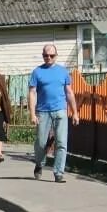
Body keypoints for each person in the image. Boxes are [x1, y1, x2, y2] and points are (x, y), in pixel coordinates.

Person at [29, 44, 79, 183]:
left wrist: (75, 112)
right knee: (40, 142)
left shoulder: (63, 72)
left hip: (60, 111)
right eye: (46, 55)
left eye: (51, 55)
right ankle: (39, 164)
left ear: (56, 56)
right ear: (43, 56)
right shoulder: (37, 72)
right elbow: (32, 93)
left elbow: (69, 92)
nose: (48, 58)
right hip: (43, 112)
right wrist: (32, 114)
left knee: (61, 142)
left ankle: (58, 173)